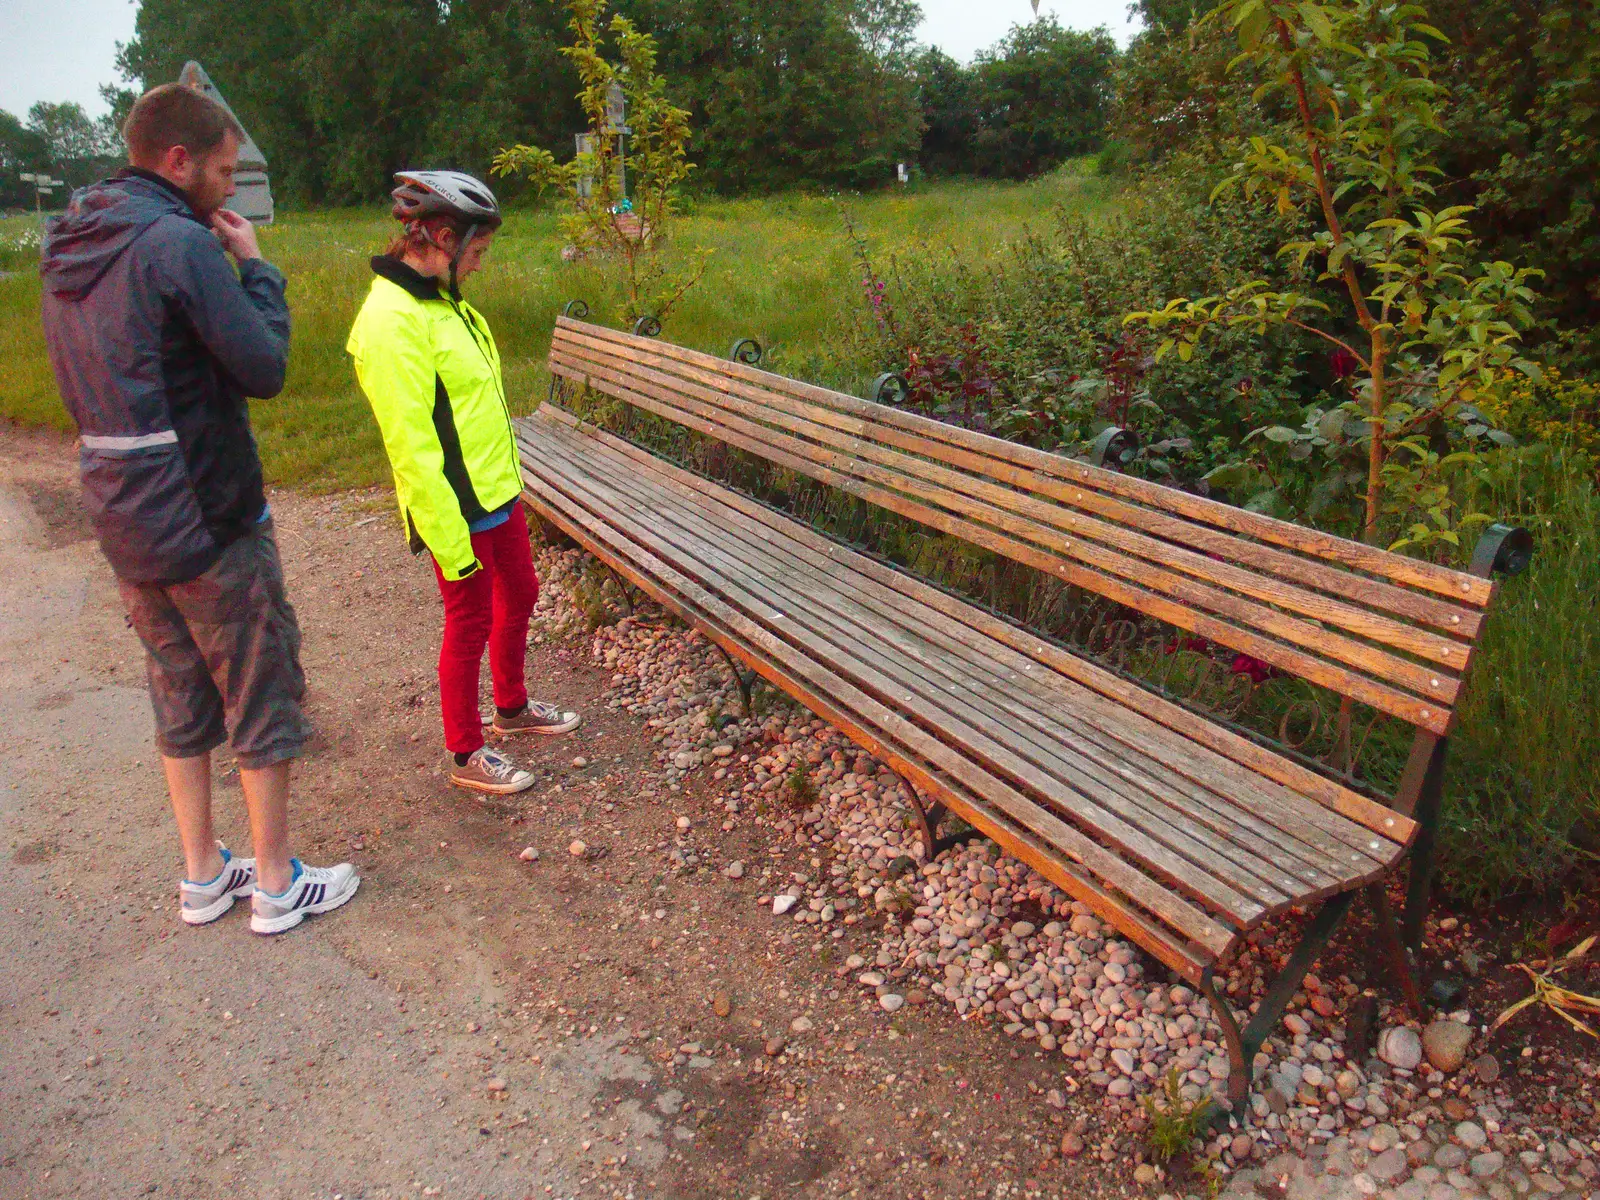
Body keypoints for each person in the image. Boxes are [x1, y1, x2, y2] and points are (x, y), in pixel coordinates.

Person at [38, 83, 358, 935]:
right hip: (209, 512)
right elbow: (263, 367)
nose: (228, 185)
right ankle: (279, 884)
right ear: (177, 161)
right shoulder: (177, 245)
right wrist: (255, 268)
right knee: (259, 689)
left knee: (176, 690)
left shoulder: (73, 242)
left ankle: (202, 873)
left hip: (123, 512)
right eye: (221, 169)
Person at [347, 170, 580, 795]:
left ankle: (511, 708)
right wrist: (449, 542)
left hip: (496, 490)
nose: (479, 266)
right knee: (469, 619)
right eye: (476, 253)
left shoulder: (442, 302)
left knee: (523, 592)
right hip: (456, 506)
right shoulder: (392, 320)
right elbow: (412, 447)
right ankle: (465, 751)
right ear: (443, 239)